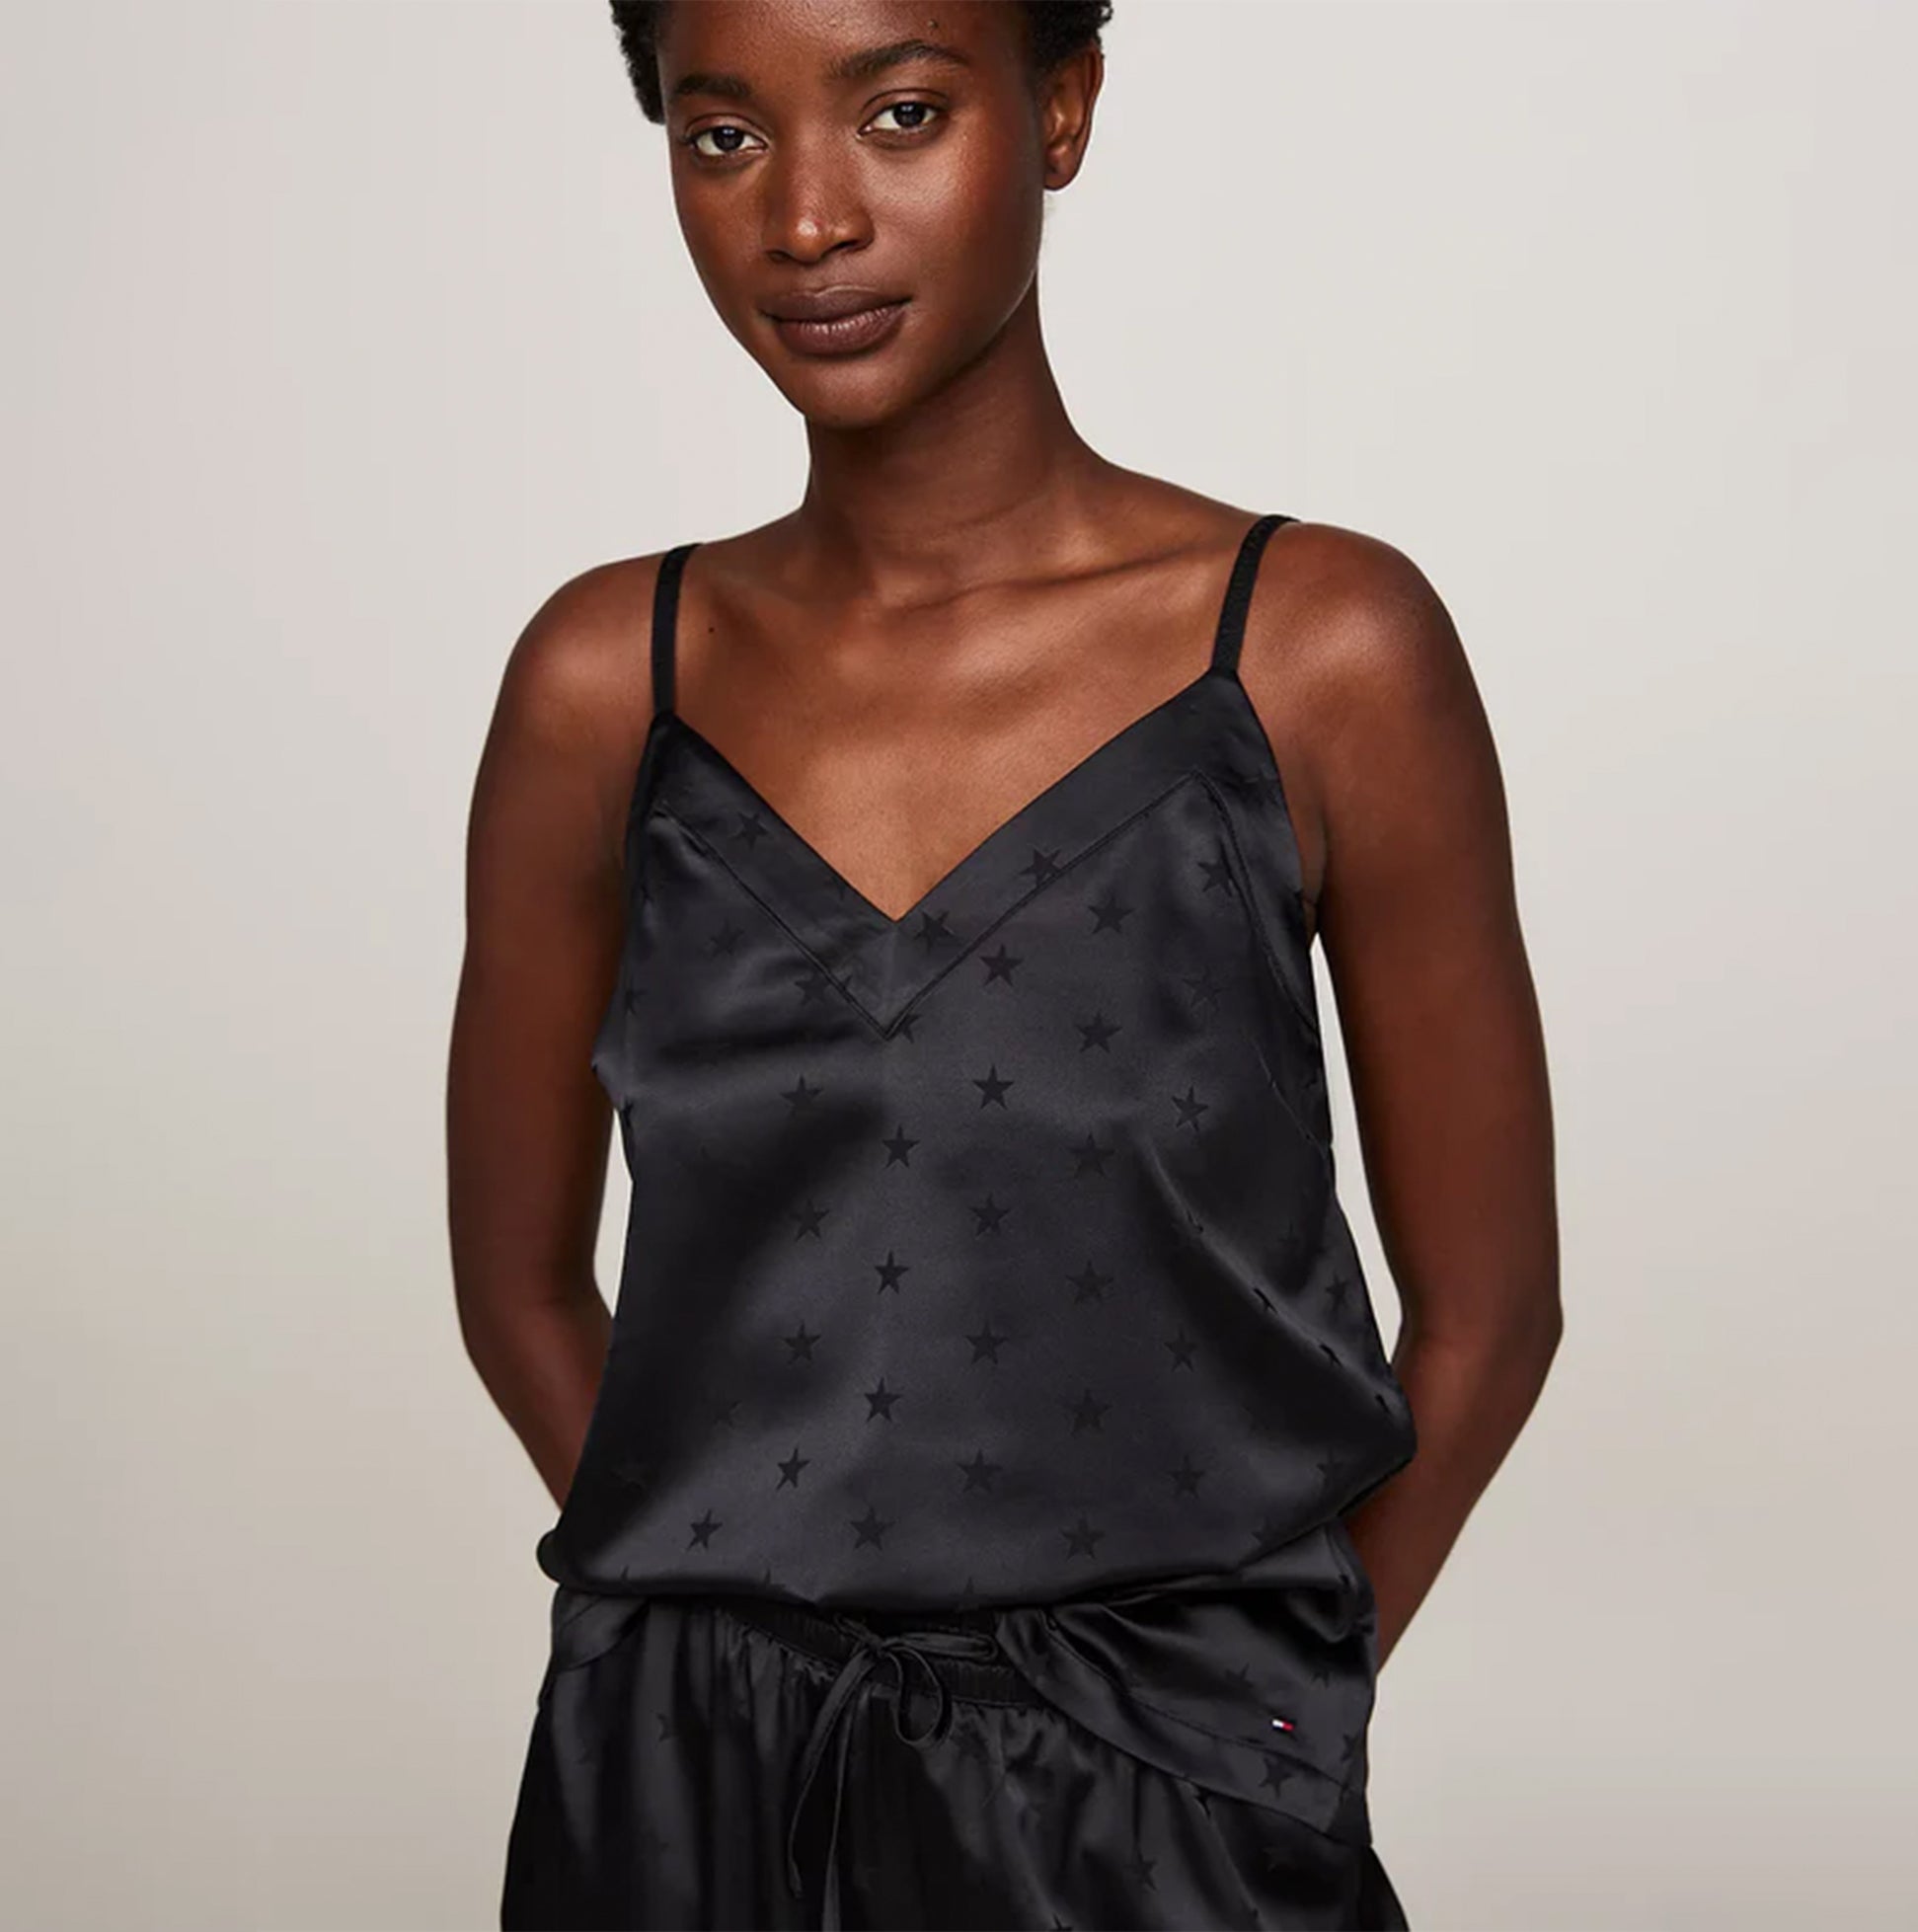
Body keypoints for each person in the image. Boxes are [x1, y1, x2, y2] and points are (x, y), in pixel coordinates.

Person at [447, 3, 1562, 1926]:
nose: (807, 218)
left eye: (898, 113)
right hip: (678, 1803)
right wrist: (723, 1611)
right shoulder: (605, 685)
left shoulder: (1315, 651)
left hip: (1165, 1809)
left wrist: (1250, 1717)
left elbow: (1490, 1312)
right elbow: (517, 1285)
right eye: (723, 138)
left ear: (1062, 108)